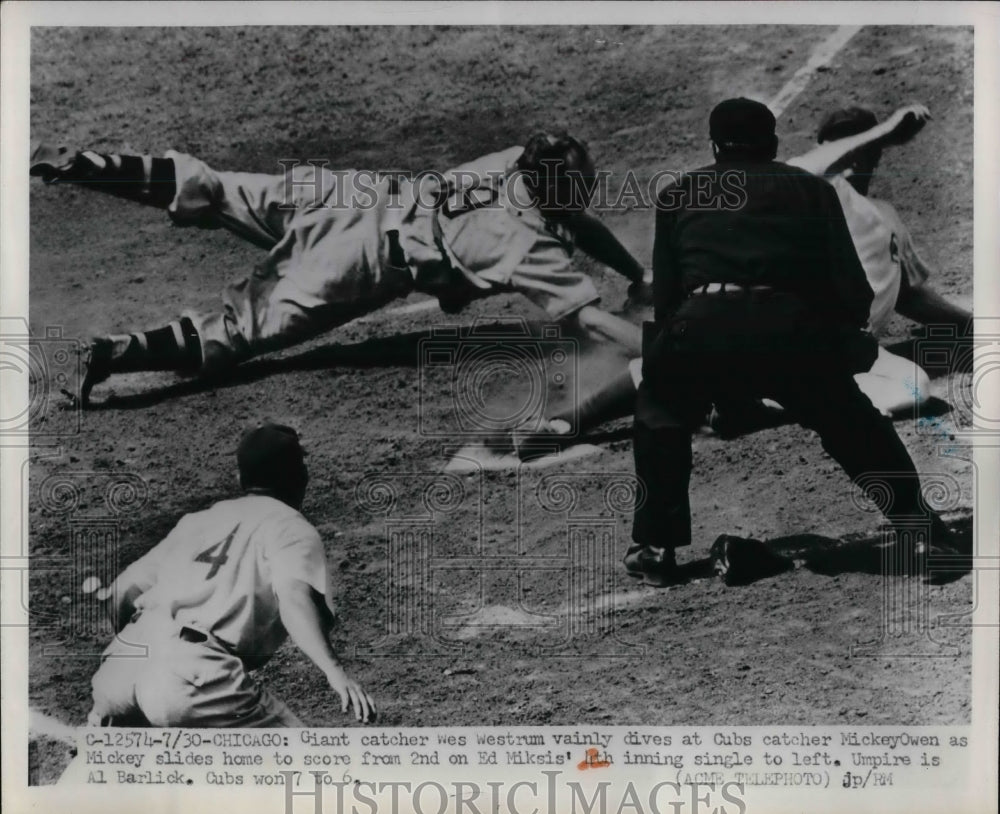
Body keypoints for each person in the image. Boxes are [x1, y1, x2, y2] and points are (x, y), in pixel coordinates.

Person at [31, 134, 650, 406]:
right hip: (356, 262)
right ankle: (107, 355)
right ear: (554, 188)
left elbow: (577, 218)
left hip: (348, 193)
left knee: (213, 189)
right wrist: (662, 347)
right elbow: (590, 319)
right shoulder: (523, 243)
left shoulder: (516, 160)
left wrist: (636, 273)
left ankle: (83, 163)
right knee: (238, 332)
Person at [511, 103, 972, 460]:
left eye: (866, 151)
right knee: (690, 358)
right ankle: (564, 423)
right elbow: (818, 162)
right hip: (795, 336)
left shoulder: (884, 215)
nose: (856, 159)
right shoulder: (808, 188)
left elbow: (910, 295)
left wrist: (972, 323)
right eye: (848, 149)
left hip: (843, 350)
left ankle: (747, 403)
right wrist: (885, 132)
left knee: (912, 387)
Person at [624, 97, 959, 587]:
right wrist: (839, 345)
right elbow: (849, 288)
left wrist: (692, 355)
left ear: (714, 146)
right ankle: (921, 529)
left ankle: (656, 548)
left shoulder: (678, 193)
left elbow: (669, 298)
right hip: (790, 330)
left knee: (659, 410)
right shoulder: (811, 189)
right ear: (775, 144)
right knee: (851, 419)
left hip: (699, 326)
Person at [87, 423, 375, 726]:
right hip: (189, 679)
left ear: (240, 479)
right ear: (300, 478)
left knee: (126, 768)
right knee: (305, 766)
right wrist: (335, 672)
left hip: (121, 668)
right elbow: (293, 598)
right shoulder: (290, 527)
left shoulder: (198, 520)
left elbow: (123, 590)